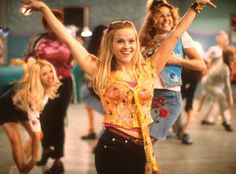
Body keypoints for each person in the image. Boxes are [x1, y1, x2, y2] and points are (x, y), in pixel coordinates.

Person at [22, 0, 216, 173]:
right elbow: (68, 39)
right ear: (111, 44)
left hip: (141, 147)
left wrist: (195, 8)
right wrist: (45, 9)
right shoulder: (100, 70)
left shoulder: (149, 68)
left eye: (132, 41)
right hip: (111, 147)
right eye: (120, 41)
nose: (127, 46)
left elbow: (174, 36)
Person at [139, 0, 207, 145]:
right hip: (145, 95)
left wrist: (177, 60)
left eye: (169, 15)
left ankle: (145, 167)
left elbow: (200, 65)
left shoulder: (181, 36)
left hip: (169, 97)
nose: (166, 19)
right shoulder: (144, 40)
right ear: (152, 19)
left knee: (149, 141)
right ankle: (150, 168)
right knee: (141, 140)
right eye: (161, 15)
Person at [23, 9, 74, 173]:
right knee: (43, 120)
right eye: (50, 22)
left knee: (58, 121)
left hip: (63, 84)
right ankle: (45, 151)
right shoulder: (37, 39)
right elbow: (28, 56)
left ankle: (58, 160)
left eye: (57, 22)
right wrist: (31, 61)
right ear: (46, 24)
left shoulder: (69, 39)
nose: (54, 25)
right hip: (42, 87)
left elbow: (75, 58)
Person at [0, 59, 60, 174]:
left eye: (50, 71)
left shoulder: (46, 89)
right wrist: (33, 159)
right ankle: (22, 169)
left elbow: (37, 134)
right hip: (6, 106)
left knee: (38, 136)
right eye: (44, 74)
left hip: (21, 107)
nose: (50, 76)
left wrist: (31, 159)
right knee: (16, 140)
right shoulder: (32, 95)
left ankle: (18, 167)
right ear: (38, 78)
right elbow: (35, 131)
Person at [80, 25, 107, 140]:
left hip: (102, 87)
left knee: (109, 112)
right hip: (93, 87)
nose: (107, 36)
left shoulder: (109, 50)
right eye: (105, 34)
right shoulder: (93, 53)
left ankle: (97, 135)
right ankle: (92, 130)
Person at [201, 45, 235, 132]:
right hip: (208, 83)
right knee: (222, 97)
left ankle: (207, 119)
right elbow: (227, 86)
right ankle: (226, 122)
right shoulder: (225, 69)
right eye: (232, 55)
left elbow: (213, 58)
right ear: (227, 57)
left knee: (216, 100)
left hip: (214, 83)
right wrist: (230, 99)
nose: (234, 56)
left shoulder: (222, 59)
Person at [198, 31, 230, 124]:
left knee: (217, 99)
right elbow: (205, 60)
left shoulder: (228, 51)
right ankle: (225, 119)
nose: (225, 40)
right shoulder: (214, 49)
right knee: (218, 97)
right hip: (212, 78)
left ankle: (209, 119)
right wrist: (206, 71)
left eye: (226, 39)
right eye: (223, 38)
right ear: (218, 39)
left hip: (222, 79)